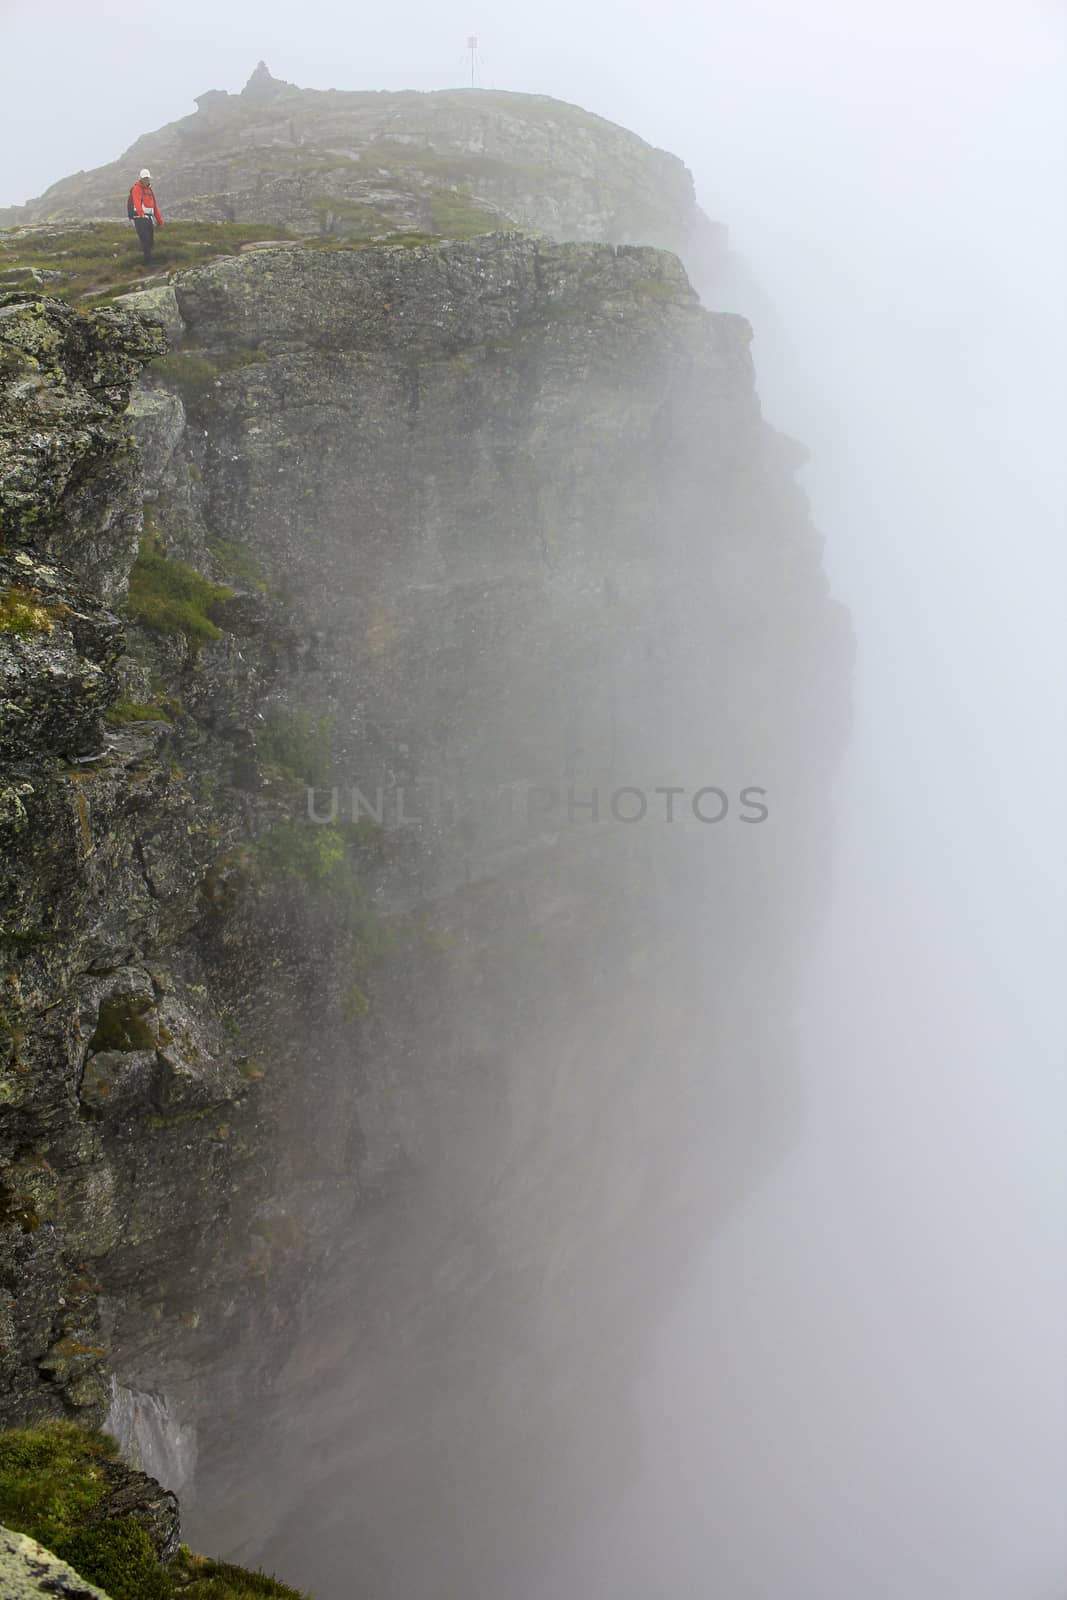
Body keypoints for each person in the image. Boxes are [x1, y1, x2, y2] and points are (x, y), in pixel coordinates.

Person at [127, 169, 164, 264]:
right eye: (144, 178)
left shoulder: (149, 190)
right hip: (140, 218)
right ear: (141, 179)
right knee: (145, 240)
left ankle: (149, 261)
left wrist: (160, 221)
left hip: (148, 218)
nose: (146, 180)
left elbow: (154, 206)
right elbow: (136, 201)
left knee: (150, 241)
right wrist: (141, 214)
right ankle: (148, 263)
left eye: (147, 178)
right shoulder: (137, 188)